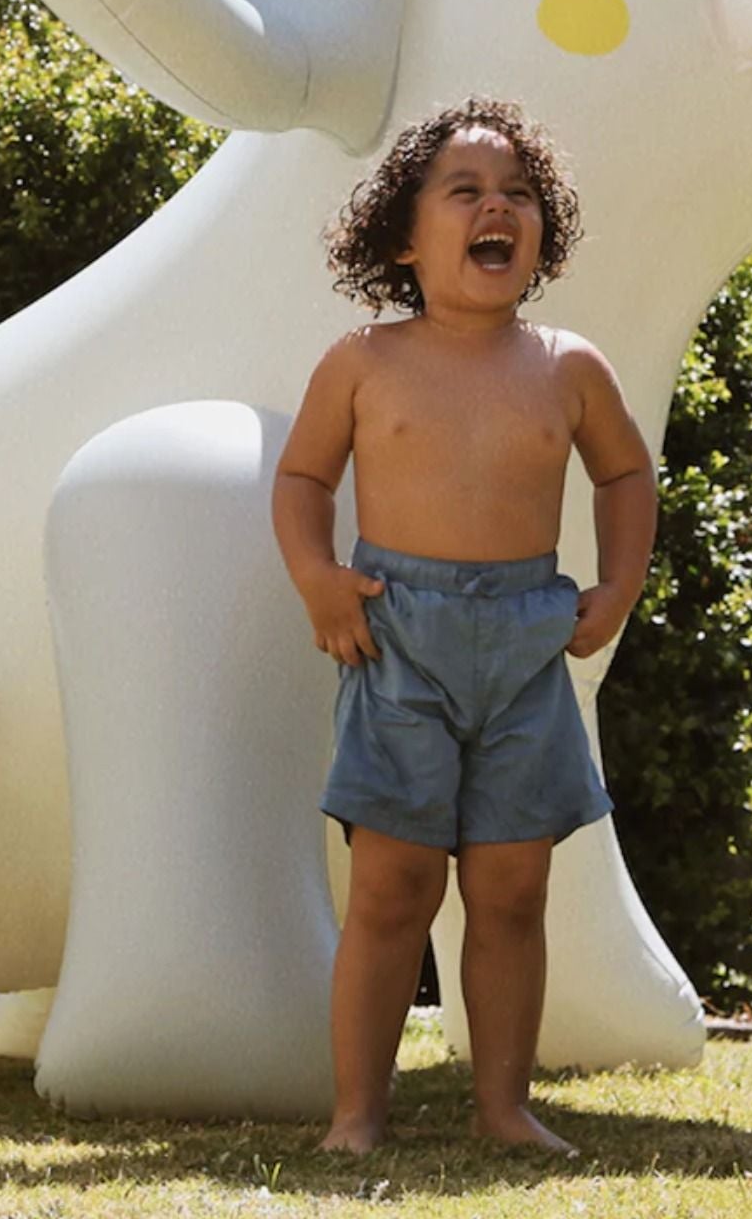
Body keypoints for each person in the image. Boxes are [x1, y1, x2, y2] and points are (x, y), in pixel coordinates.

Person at [272, 96, 658, 1156]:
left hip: (525, 646)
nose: (497, 208)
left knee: (512, 886)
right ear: (403, 237)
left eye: (518, 194)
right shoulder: (364, 359)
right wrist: (317, 578)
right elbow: (302, 479)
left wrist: (618, 584)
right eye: (466, 191)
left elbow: (625, 474)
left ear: (541, 231)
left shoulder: (567, 364)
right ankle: (357, 1114)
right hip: (398, 639)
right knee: (393, 885)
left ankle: (503, 1107)